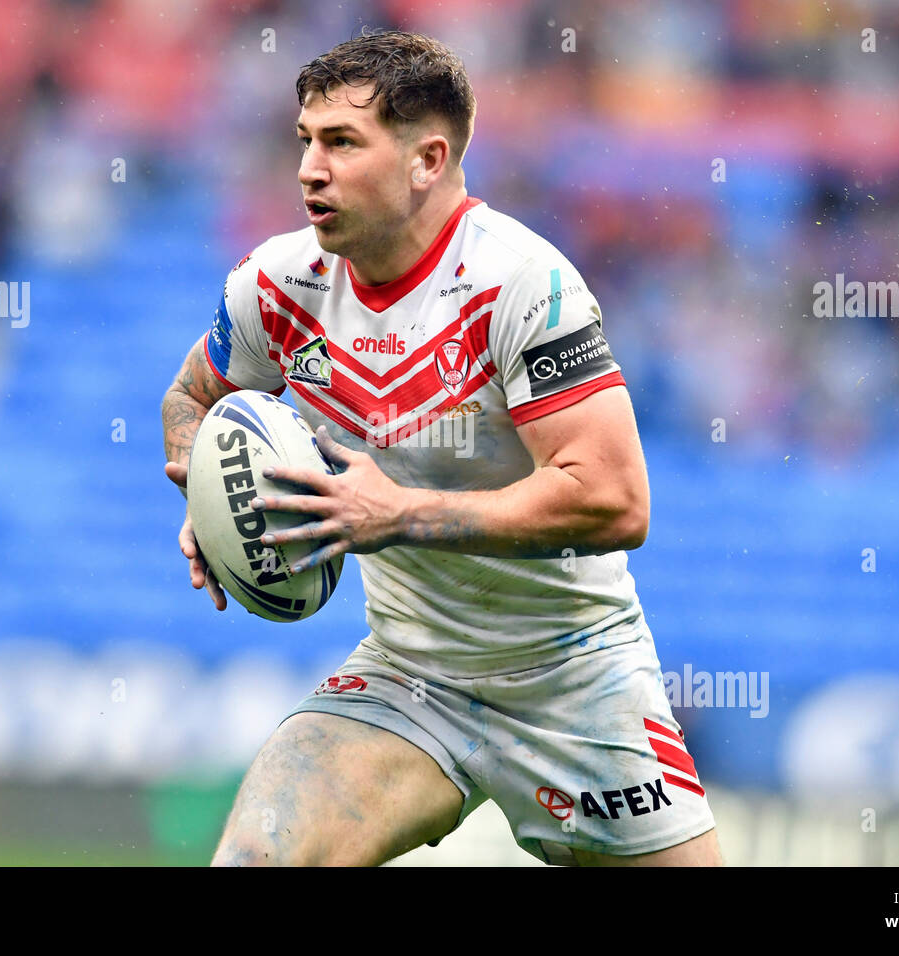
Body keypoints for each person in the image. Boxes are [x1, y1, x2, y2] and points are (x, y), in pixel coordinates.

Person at [161, 29, 722, 867]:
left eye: (343, 142)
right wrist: (206, 493)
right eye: (305, 140)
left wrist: (402, 515)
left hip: (573, 678)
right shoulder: (276, 286)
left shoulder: (523, 285)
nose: (311, 168)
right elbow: (191, 400)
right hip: (408, 674)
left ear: (428, 159)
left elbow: (614, 498)